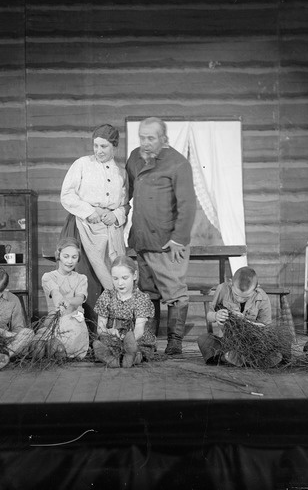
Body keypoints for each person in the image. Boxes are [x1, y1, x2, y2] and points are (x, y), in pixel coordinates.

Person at [126, 117, 196, 355]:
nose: (144, 143)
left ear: (163, 139)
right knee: (148, 293)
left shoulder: (178, 164)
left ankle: (175, 343)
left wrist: (178, 239)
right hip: (142, 240)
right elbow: (126, 193)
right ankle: (148, 342)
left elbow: (188, 206)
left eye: (151, 138)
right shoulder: (135, 157)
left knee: (175, 293)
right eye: (142, 137)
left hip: (168, 243)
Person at [60, 123, 129, 330]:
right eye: (96, 146)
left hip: (110, 231)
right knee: (87, 278)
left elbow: (126, 203)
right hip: (83, 227)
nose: (99, 151)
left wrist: (115, 214)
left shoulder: (121, 172)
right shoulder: (82, 164)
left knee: (112, 275)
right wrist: (91, 211)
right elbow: (67, 195)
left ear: (114, 146)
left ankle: (110, 331)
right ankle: (86, 332)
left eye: (104, 146)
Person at [197, 266, 284, 367]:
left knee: (278, 346)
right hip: (226, 341)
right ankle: (239, 358)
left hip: (252, 343)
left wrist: (245, 321)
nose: (240, 299)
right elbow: (209, 316)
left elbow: (266, 328)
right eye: (236, 295)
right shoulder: (223, 289)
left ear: (256, 288)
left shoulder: (262, 297)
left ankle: (232, 358)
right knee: (204, 339)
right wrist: (216, 315)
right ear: (231, 283)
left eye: (245, 297)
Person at [91, 256, 156, 368]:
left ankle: (132, 356)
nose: (120, 283)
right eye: (115, 279)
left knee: (136, 347)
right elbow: (100, 328)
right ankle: (111, 358)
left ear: (134, 276)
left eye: (125, 278)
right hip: (114, 339)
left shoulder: (141, 298)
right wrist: (108, 331)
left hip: (135, 338)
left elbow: (139, 330)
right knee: (104, 342)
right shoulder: (107, 296)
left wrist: (127, 341)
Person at [35, 238, 89, 360]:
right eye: (66, 256)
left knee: (74, 329)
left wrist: (69, 301)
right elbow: (55, 293)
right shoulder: (48, 277)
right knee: (57, 332)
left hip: (76, 317)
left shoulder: (81, 278)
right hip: (56, 317)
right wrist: (61, 301)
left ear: (78, 258)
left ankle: (56, 348)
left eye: (74, 257)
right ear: (58, 255)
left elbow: (80, 298)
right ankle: (51, 346)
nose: (70, 261)